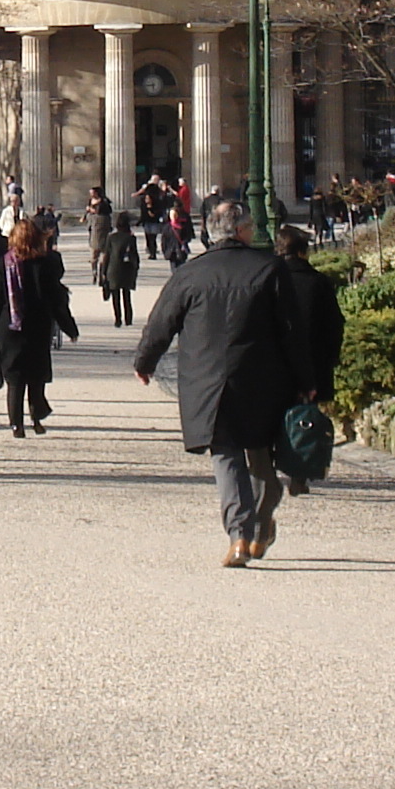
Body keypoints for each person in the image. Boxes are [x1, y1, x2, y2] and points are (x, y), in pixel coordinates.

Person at [132, 198, 304, 567]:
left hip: (207, 380)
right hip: (262, 378)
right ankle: (258, 525)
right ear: (242, 231)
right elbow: (292, 331)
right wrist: (306, 378)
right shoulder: (270, 269)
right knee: (259, 455)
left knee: (225, 455)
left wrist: (144, 362)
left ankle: (239, 536)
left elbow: (161, 323)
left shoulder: (191, 273)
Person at [0, 217, 80, 436]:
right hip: (37, 326)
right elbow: (57, 299)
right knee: (36, 377)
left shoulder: (5, 262)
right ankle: (36, 419)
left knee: (15, 380)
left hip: (9, 327)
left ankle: (16, 424)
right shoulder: (46, 263)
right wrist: (69, 327)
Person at [272, 224, 344, 494]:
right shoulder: (318, 282)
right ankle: (298, 473)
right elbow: (335, 324)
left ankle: (265, 468)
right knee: (302, 418)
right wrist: (331, 358)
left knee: (270, 415)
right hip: (311, 362)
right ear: (302, 252)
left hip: (273, 360)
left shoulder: (269, 279)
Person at [103, 211, 141, 326]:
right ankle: (128, 319)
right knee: (127, 296)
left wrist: (104, 272)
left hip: (113, 269)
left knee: (115, 297)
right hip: (126, 269)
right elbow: (135, 255)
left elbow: (107, 255)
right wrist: (136, 269)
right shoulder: (131, 238)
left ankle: (118, 319)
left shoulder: (111, 237)